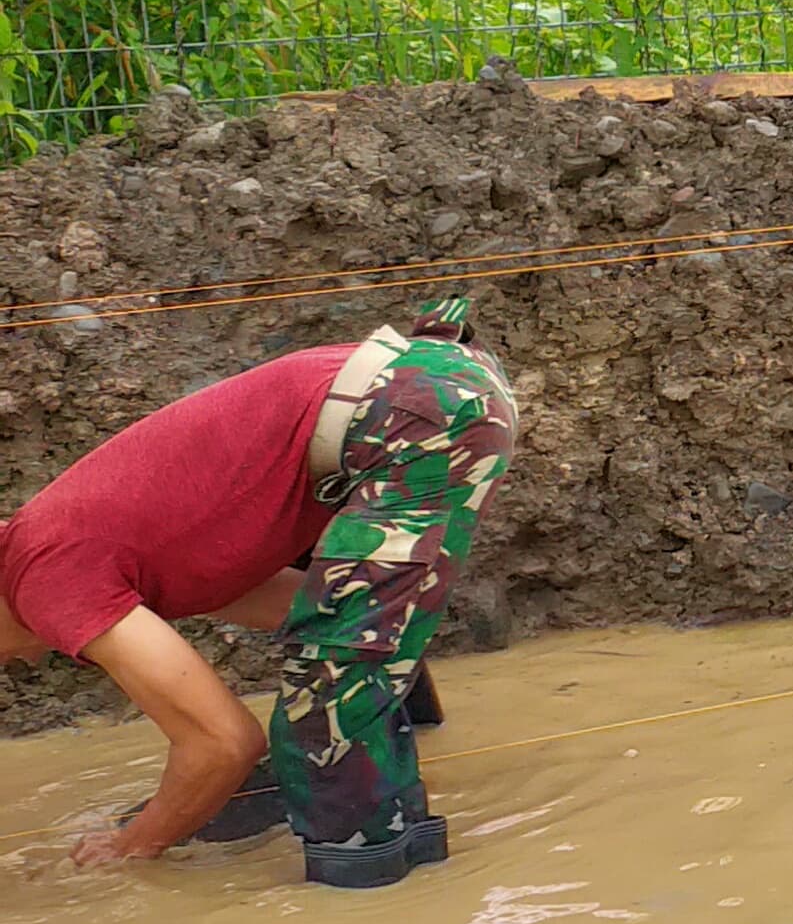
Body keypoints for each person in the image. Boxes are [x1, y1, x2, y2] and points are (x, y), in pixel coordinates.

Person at [0, 297, 511, 887]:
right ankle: (415, 765)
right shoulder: (91, 551)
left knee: (324, 716)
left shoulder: (42, 578)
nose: (24, 660)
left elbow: (222, 743)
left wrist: (132, 847)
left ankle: (369, 895)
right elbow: (298, 609)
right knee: (344, 650)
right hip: (433, 381)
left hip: (407, 413)